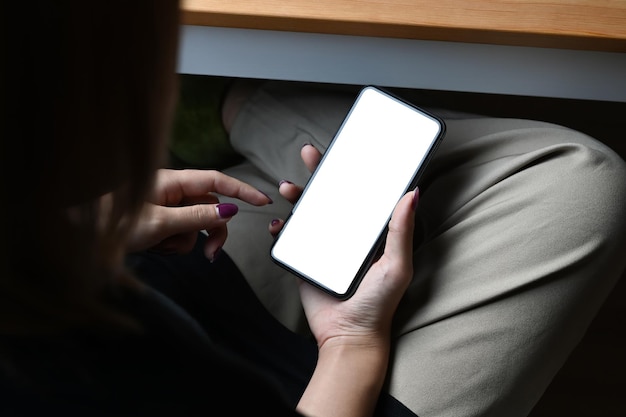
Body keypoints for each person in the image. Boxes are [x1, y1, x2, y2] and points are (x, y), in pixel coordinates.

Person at [2, 3, 625, 417]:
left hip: (143, 279)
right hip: (302, 384)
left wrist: (67, 235)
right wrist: (350, 342)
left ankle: (231, 108)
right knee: (577, 176)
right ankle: (234, 106)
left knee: (318, 190)